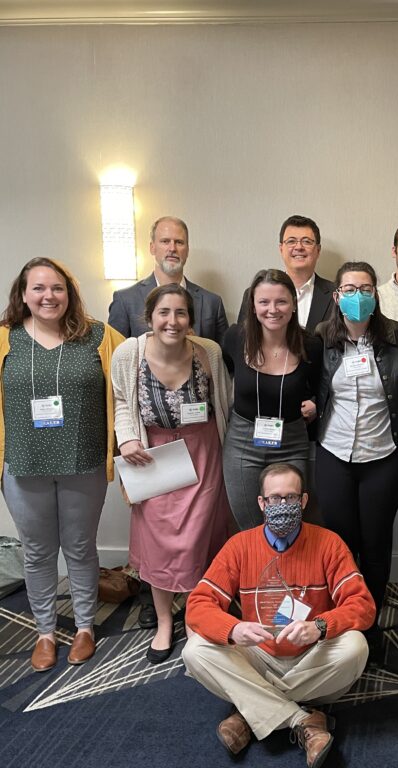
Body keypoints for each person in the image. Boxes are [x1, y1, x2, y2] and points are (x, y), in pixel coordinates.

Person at [183, 462, 374, 767]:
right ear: (261, 503)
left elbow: (363, 606)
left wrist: (319, 627)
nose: (282, 505)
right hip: (259, 655)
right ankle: (303, 719)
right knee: (194, 651)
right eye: (274, 498)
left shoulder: (329, 543)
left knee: (355, 646)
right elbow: (198, 604)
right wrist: (234, 629)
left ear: (304, 501)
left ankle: (250, 710)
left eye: (291, 497)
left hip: (312, 655)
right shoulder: (239, 546)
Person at [0, 258, 124, 672]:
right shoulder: (5, 339)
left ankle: (85, 626)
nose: (48, 296)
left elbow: (137, 369)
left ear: (68, 293)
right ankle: (45, 632)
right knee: (37, 553)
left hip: (83, 461)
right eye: (37, 288)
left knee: (80, 548)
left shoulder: (99, 337)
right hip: (22, 463)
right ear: (22, 294)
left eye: (56, 288)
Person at [108, 215, 229, 631]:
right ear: (149, 316)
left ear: (191, 319)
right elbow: (121, 399)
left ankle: (200, 617)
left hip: (204, 453)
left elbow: (226, 400)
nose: (172, 321)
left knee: (202, 537)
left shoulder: (208, 352)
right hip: (154, 455)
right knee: (159, 542)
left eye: (180, 313)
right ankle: (162, 621)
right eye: (163, 313)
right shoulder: (128, 353)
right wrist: (125, 440)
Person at [314, 261, 398, 656]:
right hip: (334, 452)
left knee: (375, 543)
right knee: (340, 542)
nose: (358, 296)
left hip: (382, 455)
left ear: (376, 294)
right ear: (337, 296)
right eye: (350, 289)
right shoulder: (321, 337)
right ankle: (342, 615)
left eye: (366, 288)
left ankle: (369, 619)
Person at [223, 269, 322, 531]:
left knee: (288, 524)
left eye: (281, 301)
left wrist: (315, 403)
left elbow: (323, 387)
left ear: (293, 305)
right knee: (251, 527)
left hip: (291, 441)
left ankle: (288, 574)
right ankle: (258, 574)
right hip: (243, 444)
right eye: (264, 302)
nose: (272, 309)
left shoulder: (310, 345)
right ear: (253, 306)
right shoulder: (236, 338)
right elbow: (219, 374)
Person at [108, 216, 228, 343]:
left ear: (187, 250)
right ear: (152, 247)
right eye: (165, 241)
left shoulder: (213, 303)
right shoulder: (125, 300)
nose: (172, 248)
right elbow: (114, 357)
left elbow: (224, 359)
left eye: (179, 242)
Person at [237, 215, 335, 333]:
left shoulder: (336, 295)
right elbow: (245, 340)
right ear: (281, 249)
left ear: (318, 250)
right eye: (291, 241)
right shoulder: (254, 294)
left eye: (306, 241)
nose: (299, 247)